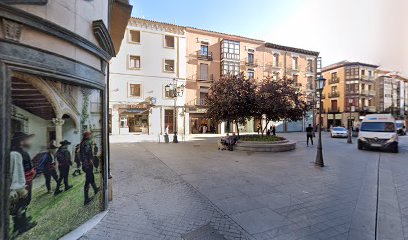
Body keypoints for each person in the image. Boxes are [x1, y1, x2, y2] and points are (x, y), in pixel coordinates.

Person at [9, 132, 37, 234]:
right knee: (22, 204)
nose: (30, 142)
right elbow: (16, 172)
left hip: (26, 181)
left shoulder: (19, 152)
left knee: (22, 204)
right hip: (22, 183)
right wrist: (20, 189)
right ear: (21, 141)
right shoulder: (15, 154)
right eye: (27, 139)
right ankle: (22, 226)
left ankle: (19, 224)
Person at [80, 131, 99, 205]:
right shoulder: (86, 143)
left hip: (85, 164)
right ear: (87, 136)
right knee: (88, 181)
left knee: (91, 177)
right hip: (87, 164)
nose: (91, 136)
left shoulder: (83, 142)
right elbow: (88, 153)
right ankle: (86, 199)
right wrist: (91, 161)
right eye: (90, 135)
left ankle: (95, 189)